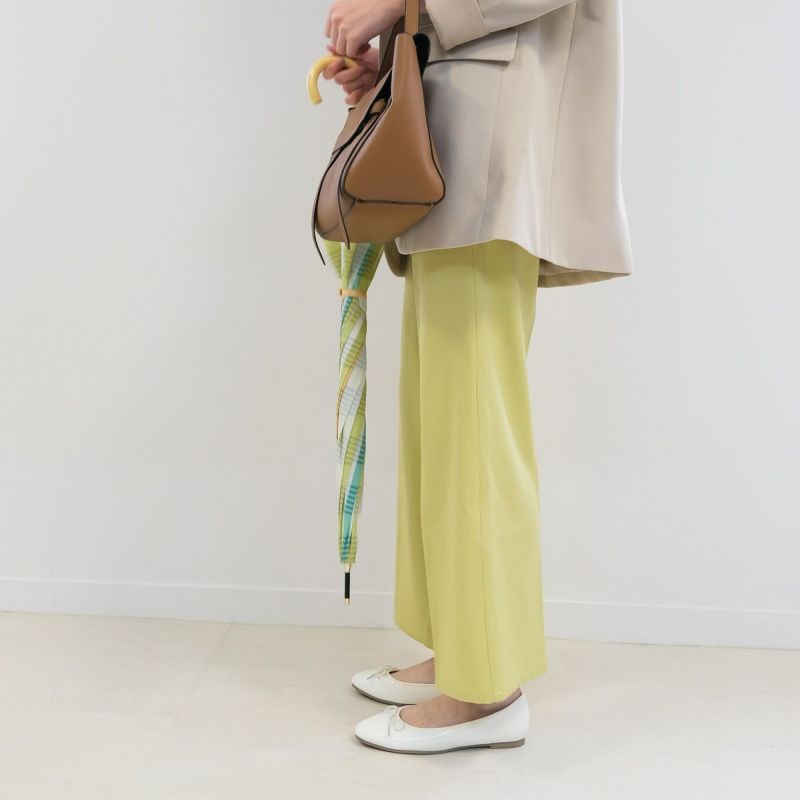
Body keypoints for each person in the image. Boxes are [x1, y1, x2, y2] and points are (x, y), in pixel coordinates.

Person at [321, 0, 633, 754]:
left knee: (473, 429)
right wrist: (401, 46)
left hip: (497, 137)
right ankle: (460, 651)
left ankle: (486, 689)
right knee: (439, 418)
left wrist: (400, 4)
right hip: (456, 126)